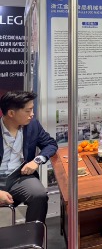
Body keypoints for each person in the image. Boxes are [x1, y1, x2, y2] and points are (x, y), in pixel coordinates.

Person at [0, 91, 58, 223]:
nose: (32, 114)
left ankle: (32, 234)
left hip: (19, 176)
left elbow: (50, 144)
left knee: (39, 195)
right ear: (11, 113)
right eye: (28, 110)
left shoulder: (32, 125)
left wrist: (37, 160)